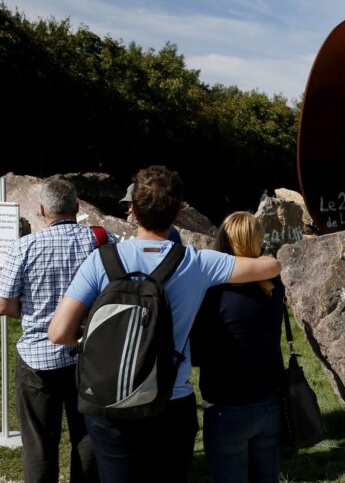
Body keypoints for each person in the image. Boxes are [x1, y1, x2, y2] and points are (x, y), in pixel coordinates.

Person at [48, 166, 281, 483]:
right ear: (178, 213)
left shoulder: (101, 260)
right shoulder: (197, 263)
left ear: (132, 211)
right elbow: (270, 266)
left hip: (109, 401)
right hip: (170, 400)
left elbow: (58, 332)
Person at [0, 178, 115, 483]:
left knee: (38, 443)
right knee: (87, 435)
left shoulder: (23, 247)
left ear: (42, 210)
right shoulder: (102, 240)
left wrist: (29, 314)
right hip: (89, 354)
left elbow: (4, 304)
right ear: (77, 207)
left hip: (37, 357)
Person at [191, 212, 285, 483]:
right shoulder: (273, 285)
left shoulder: (212, 291)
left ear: (222, 240)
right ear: (259, 241)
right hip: (268, 400)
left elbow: (197, 353)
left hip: (226, 404)